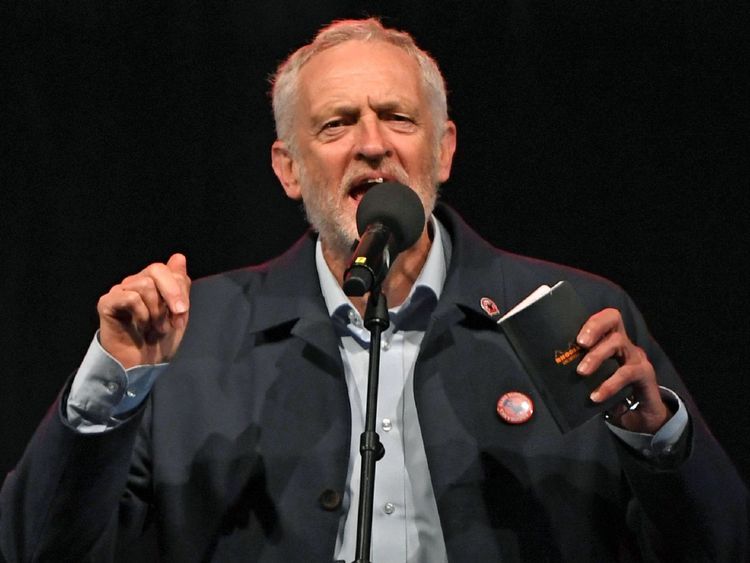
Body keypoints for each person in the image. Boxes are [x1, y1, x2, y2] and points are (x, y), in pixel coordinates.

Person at [1, 18, 747, 563]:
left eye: (396, 117)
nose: (371, 142)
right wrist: (112, 381)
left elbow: (720, 543)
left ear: (443, 149)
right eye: (335, 124)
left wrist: (656, 439)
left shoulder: (573, 312)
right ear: (288, 168)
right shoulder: (195, 332)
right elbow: (39, 547)